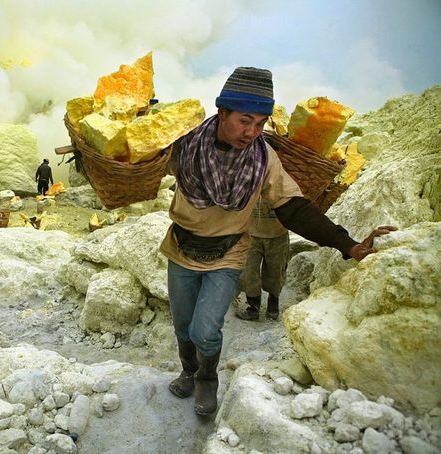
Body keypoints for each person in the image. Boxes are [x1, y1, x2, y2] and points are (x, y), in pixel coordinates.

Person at [159, 66, 395, 417]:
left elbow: (294, 208)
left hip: (228, 252)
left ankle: (207, 379)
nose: (252, 132)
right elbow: (142, 163)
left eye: (260, 123)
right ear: (222, 112)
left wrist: (346, 244)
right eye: (244, 120)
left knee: (205, 329)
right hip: (181, 248)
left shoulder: (263, 159)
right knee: (182, 325)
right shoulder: (185, 145)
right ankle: (188, 370)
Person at [236, 198, 289, 321]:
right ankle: (253, 307)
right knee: (248, 271)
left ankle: (273, 305)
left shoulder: (284, 180)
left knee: (276, 272)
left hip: (278, 234)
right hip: (251, 233)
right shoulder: (247, 180)